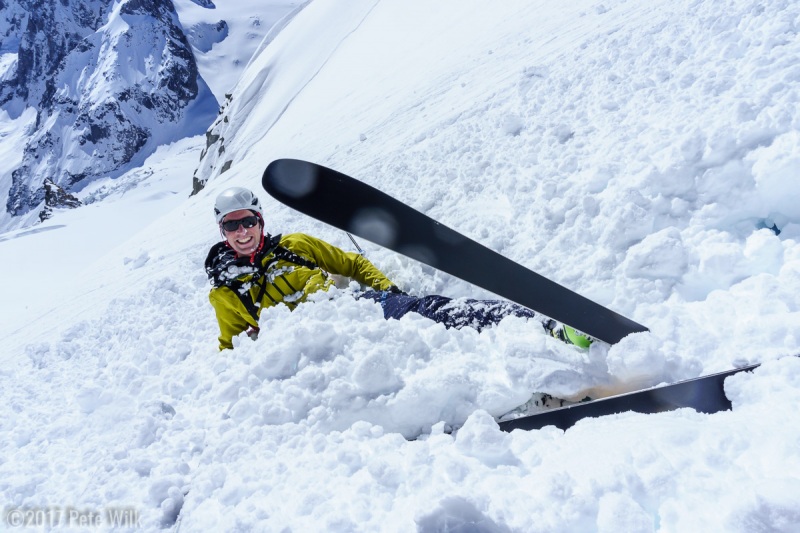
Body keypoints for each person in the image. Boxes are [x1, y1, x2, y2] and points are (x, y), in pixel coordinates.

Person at [205, 187, 591, 350]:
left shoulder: (295, 247)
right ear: (223, 232)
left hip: (362, 315)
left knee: (438, 313)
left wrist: (388, 291)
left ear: (260, 219)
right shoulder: (225, 293)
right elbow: (232, 348)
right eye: (232, 226)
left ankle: (543, 325)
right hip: (313, 355)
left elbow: (352, 264)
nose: (243, 232)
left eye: (248, 221)